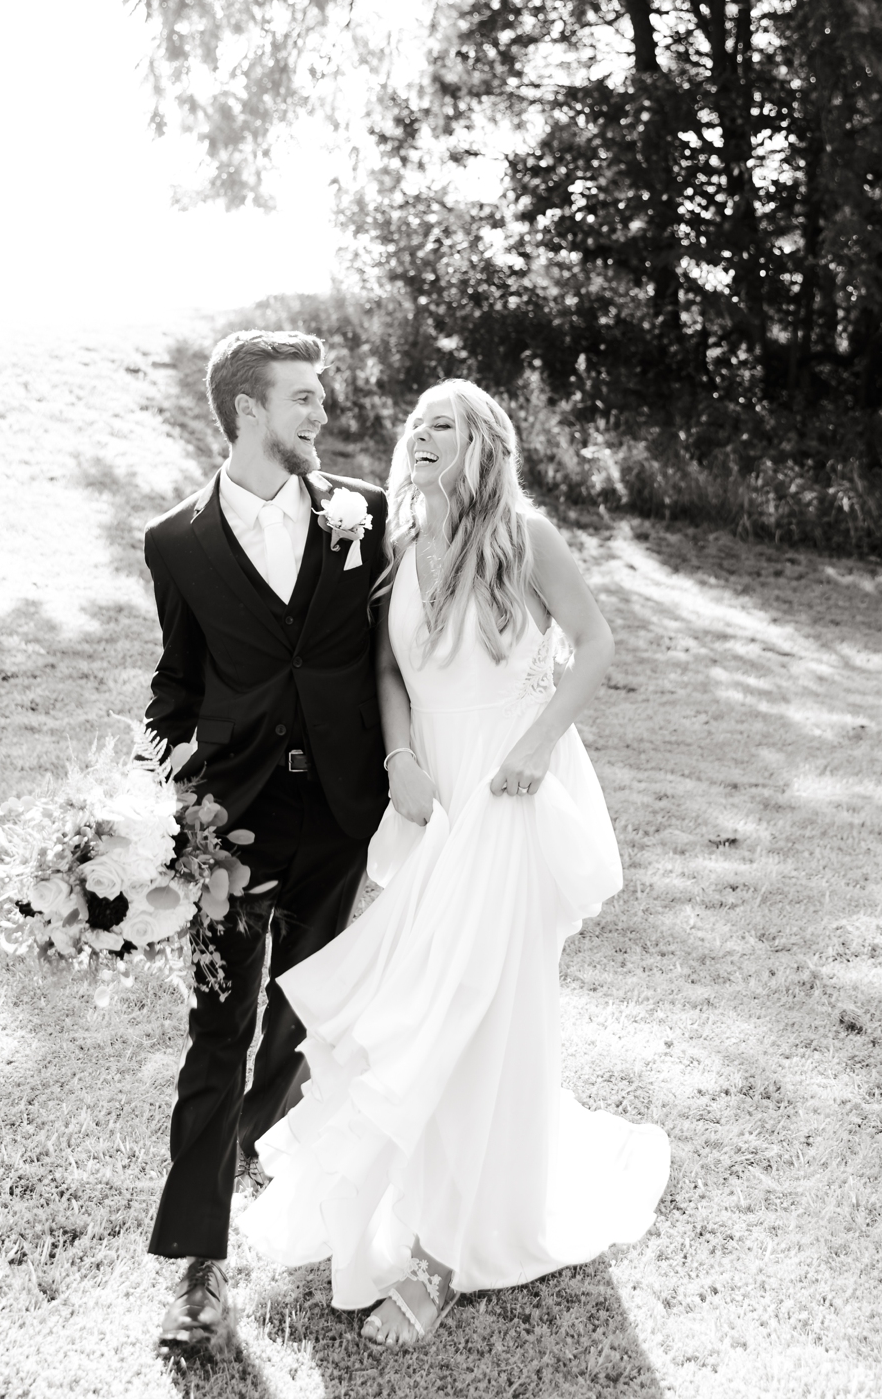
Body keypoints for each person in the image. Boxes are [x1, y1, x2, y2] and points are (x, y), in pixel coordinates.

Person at [239, 380, 670, 1346]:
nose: (422, 432)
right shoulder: (400, 542)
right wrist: (399, 760)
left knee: (473, 1011)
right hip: (432, 804)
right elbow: (390, 670)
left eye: (446, 421)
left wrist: (533, 747)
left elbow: (596, 644)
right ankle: (423, 1208)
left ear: (485, 442)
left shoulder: (525, 537)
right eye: (417, 421)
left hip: (510, 796)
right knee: (420, 1003)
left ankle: (442, 1260)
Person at [141, 329, 389, 1355]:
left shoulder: (363, 515)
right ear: (247, 409)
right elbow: (177, 685)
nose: (320, 414)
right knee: (217, 1036)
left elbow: (398, 644)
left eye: (322, 398)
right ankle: (196, 1276)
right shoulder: (178, 544)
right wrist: (151, 797)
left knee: (307, 1020)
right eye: (302, 398)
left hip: (340, 812)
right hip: (230, 826)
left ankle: (257, 1146)